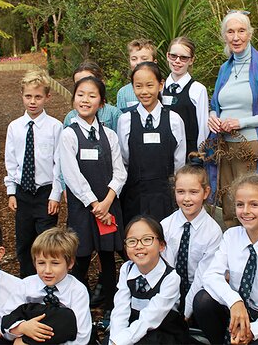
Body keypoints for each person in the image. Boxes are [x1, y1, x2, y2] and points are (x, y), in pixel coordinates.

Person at [193, 173, 258, 345]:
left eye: (254, 204)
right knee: (202, 300)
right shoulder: (231, 237)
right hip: (236, 308)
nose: (246, 211)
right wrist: (234, 301)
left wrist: (253, 331)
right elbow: (211, 276)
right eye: (240, 205)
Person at [206, 10, 258, 228]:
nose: (236, 37)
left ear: (249, 34)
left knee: (251, 204)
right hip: (223, 147)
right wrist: (213, 117)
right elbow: (215, 106)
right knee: (230, 205)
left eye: (241, 31)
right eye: (230, 32)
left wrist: (242, 122)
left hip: (251, 147)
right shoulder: (225, 69)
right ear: (225, 36)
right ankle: (233, 255)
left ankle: (257, 253)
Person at [59, 76, 127, 327]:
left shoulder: (109, 135)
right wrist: (94, 205)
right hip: (83, 209)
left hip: (109, 207)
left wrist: (107, 201)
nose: (85, 100)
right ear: (74, 98)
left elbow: (120, 172)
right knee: (81, 258)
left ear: (102, 102)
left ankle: (111, 308)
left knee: (108, 258)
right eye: (80, 94)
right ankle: (79, 309)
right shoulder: (69, 134)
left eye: (92, 95)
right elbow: (72, 176)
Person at [4, 69, 63, 278]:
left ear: (47, 96)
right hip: (23, 193)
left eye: (38, 97)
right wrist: (12, 191)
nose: (33, 101)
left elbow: (59, 164)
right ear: (22, 95)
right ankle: (27, 284)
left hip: (45, 194)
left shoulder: (56, 127)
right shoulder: (15, 127)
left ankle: (48, 282)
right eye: (28, 96)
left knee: (46, 242)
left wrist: (56, 194)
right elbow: (11, 161)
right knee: (24, 242)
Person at [117, 61, 186, 225]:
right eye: (138, 86)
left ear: (160, 85)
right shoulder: (125, 120)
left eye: (150, 85)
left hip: (164, 194)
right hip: (134, 193)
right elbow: (124, 160)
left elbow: (179, 162)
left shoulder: (174, 120)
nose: (144, 91)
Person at [108, 215, 191, 345]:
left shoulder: (170, 278)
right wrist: (115, 339)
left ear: (162, 245)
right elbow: (120, 308)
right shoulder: (127, 269)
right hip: (133, 326)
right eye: (132, 241)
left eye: (147, 240)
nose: (139, 246)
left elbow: (151, 317)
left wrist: (122, 341)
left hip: (163, 330)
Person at [1, 227, 92, 345]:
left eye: (55, 263)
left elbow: (82, 336)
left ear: (70, 263)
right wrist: (22, 327)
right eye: (41, 263)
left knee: (65, 317)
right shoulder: (26, 285)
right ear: (34, 262)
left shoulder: (77, 290)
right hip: (25, 337)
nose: (47, 270)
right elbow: (6, 320)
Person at [160, 152, 222, 321]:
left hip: (199, 291)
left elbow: (203, 275)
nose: (186, 199)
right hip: (169, 291)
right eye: (181, 192)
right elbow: (165, 268)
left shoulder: (213, 232)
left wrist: (186, 312)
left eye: (193, 192)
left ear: (205, 192)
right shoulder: (166, 226)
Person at [162, 37, 209, 156]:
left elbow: (203, 126)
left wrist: (200, 154)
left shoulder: (198, 89)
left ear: (191, 60)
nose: (177, 61)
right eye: (173, 56)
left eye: (183, 58)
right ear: (167, 56)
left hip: (190, 153)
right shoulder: (160, 87)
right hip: (163, 151)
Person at [64, 61, 122, 132]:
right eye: (78, 83)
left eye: (89, 81)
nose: (84, 86)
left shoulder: (114, 114)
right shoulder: (70, 117)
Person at [116, 39, 158, 113]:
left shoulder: (162, 88)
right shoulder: (123, 93)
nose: (138, 62)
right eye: (134, 59)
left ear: (154, 62)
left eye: (144, 59)